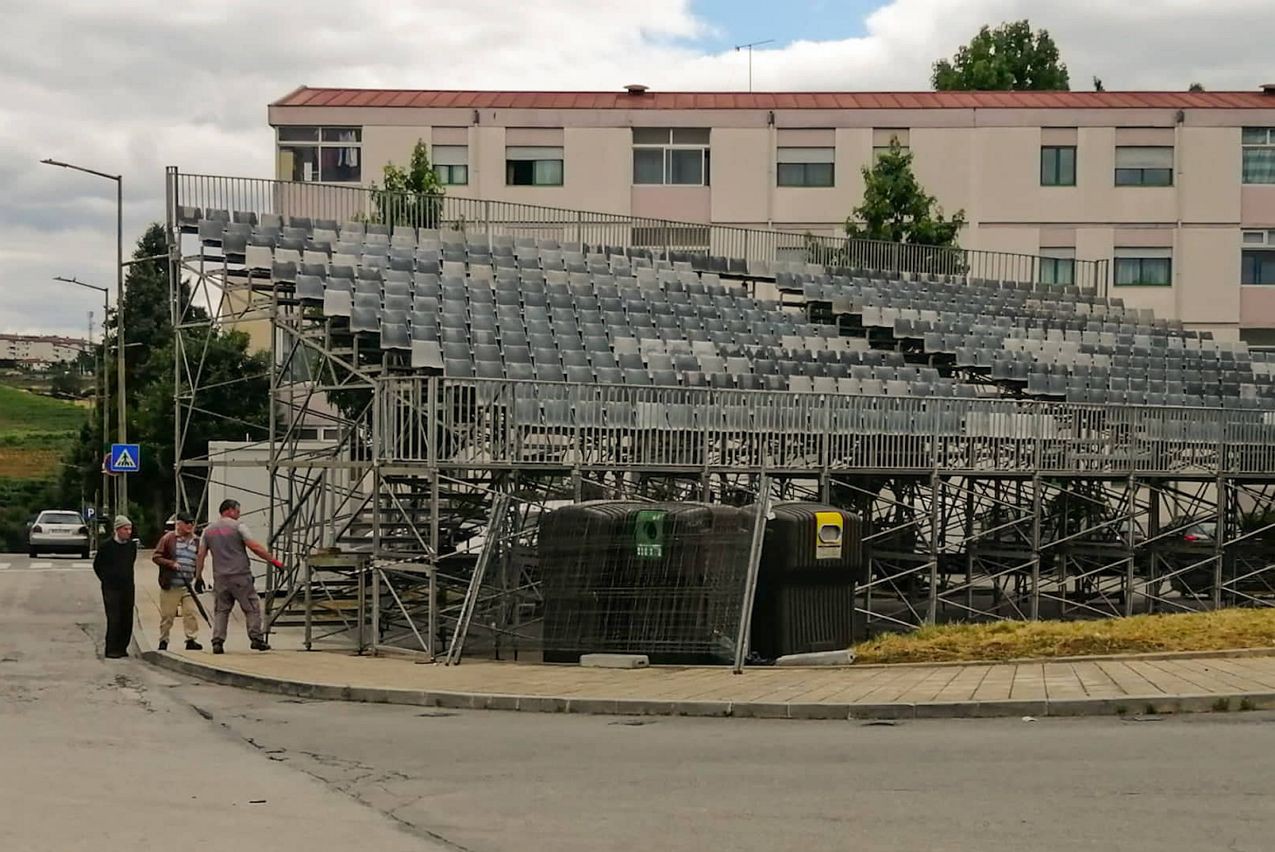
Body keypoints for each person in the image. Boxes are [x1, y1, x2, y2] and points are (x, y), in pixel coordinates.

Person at [195, 499, 283, 655]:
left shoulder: (208, 531)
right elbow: (254, 547)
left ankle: (217, 641)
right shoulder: (239, 527)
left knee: (221, 610)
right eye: (237, 510)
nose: (239, 514)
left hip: (220, 577)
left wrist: (198, 577)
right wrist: (274, 561)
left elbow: (201, 554)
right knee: (252, 607)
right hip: (240, 576)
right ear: (229, 510)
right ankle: (256, 638)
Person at [151, 511, 204, 651]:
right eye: (186, 523)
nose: (190, 525)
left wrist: (199, 578)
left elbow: (199, 560)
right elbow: (156, 556)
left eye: (192, 523)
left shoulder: (197, 541)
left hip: (188, 585)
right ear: (178, 524)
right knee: (167, 615)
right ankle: (164, 640)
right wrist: (171, 564)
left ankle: (191, 639)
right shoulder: (169, 538)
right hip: (171, 585)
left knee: (190, 613)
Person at [93, 516, 137, 659]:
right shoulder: (106, 546)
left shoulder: (131, 546)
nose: (129, 532)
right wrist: (106, 579)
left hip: (127, 587)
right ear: (118, 530)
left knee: (127, 617)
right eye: (125, 529)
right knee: (114, 617)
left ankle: (122, 647)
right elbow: (97, 565)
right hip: (111, 588)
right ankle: (111, 648)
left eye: (130, 529)